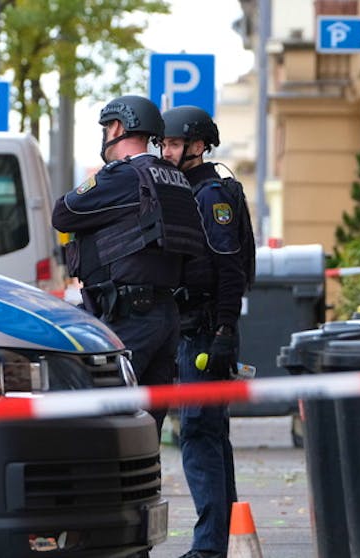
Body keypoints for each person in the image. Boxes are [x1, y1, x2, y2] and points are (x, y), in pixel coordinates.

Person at [52, 95, 205, 437]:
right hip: (166, 315)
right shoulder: (173, 178)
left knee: (109, 425)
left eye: (107, 128)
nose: (106, 135)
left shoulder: (122, 177)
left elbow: (63, 213)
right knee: (148, 428)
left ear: (117, 127)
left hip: (129, 316)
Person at [161, 105, 255, 558]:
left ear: (198, 146)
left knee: (199, 434)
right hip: (196, 330)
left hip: (203, 332)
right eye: (164, 143)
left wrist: (223, 331)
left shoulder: (209, 195)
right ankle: (227, 538)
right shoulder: (188, 190)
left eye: (175, 143)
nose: (167, 151)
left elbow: (229, 269)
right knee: (210, 434)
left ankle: (209, 548)